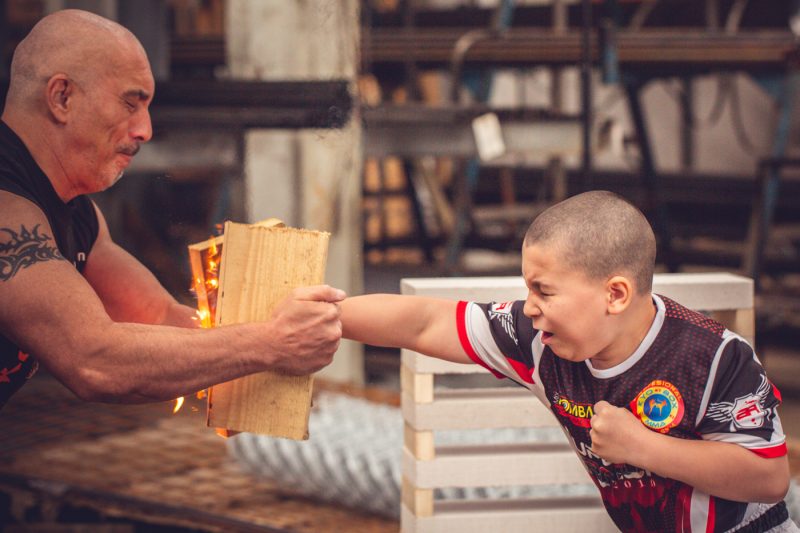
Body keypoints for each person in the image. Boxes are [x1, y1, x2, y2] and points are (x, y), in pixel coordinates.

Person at [341, 191, 797, 532]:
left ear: (614, 294)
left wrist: (642, 447)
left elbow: (769, 477)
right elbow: (426, 323)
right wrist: (328, 318)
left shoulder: (715, 356)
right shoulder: (538, 341)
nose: (529, 306)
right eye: (528, 288)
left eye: (544, 291)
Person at [0, 9, 344, 408]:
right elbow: (95, 360)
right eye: (130, 104)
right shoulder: (8, 211)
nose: (145, 130)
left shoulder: (78, 213)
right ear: (63, 97)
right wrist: (271, 343)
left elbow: (158, 315)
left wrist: (273, 326)